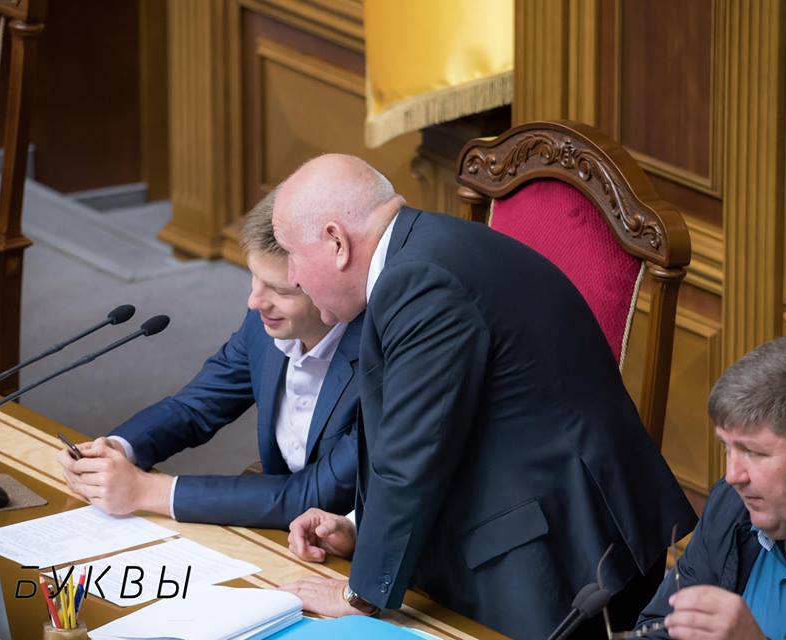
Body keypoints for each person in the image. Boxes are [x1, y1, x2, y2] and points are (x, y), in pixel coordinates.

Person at [271, 154, 697, 638]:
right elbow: (440, 434)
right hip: (529, 519)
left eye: (291, 253)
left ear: (336, 241)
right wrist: (360, 528)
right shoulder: (423, 252)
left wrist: (359, 593)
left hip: (563, 561)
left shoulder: (418, 281)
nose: (293, 276)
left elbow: (410, 457)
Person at [56, 192, 362, 529]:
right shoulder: (264, 324)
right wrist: (118, 449)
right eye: (254, 277)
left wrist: (146, 491)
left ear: (334, 285)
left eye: (281, 290)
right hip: (282, 526)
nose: (255, 301)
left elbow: (315, 495)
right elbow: (196, 406)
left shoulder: (384, 361)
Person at [635, 335, 786, 640]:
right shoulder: (733, 504)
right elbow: (659, 628)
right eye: (727, 448)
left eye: (753, 452)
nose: (732, 475)